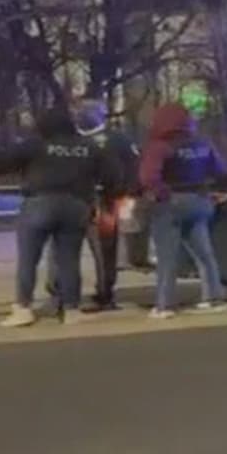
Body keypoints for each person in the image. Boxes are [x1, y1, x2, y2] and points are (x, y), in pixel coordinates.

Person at [0, 107, 124, 327]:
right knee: (69, 260)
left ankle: (23, 308)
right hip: (76, 206)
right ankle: (71, 309)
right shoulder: (88, 147)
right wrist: (107, 196)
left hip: (39, 203)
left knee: (29, 259)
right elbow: (113, 175)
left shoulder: (36, 145)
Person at [44, 99, 139, 312]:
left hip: (103, 201)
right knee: (61, 248)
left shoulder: (118, 140)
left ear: (100, 114)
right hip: (71, 200)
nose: (79, 114)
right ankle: (60, 292)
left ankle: (105, 292)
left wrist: (127, 194)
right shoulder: (68, 140)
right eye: (76, 111)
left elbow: (133, 167)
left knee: (104, 249)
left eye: (85, 111)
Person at [138, 102, 227, 319]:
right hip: (200, 201)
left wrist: (161, 194)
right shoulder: (202, 143)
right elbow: (221, 170)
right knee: (204, 254)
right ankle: (213, 298)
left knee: (167, 257)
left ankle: (165, 305)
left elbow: (148, 177)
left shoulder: (160, 146)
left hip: (171, 203)